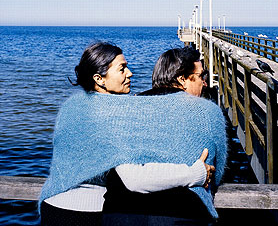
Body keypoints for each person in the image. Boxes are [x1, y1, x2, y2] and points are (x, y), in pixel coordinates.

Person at [40, 43, 226, 225]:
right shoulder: (115, 114)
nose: (130, 73)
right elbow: (134, 178)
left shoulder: (72, 107)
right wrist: (196, 173)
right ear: (99, 78)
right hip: (86, 213)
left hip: (53, 204)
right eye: (122, 69)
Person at [103, 47, 226, 225]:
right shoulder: (208, 111)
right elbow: (217, 172)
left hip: (121, 213)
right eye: (201, 76)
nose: (205, 83)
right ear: (182, 79)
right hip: (183, 214)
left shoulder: (123, 109)